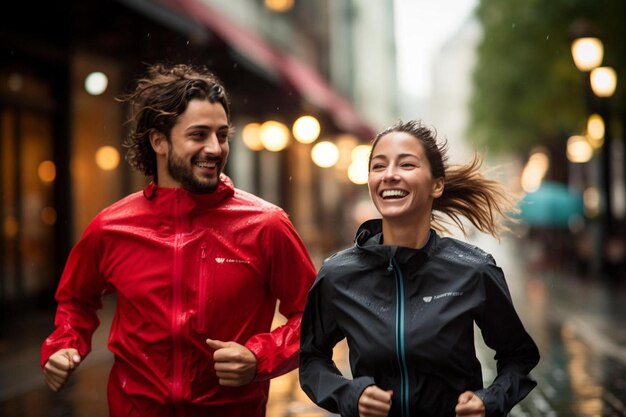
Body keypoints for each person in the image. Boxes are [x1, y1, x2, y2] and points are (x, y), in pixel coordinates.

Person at [41, 63, 317, 417]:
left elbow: (315, 316)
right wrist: (64, 345)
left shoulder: (266, 225)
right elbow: (76, 301)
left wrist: (260, 356)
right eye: (199, 135)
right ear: (158, 140)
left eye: (222, 135)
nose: (215, 148)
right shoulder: (110, 227)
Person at [299, 119, 540, 417]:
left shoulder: (474, 270)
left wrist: (489, 401)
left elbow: (518, 357)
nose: (389, 175)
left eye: (406, 165)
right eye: (378, 166)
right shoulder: (338, 275)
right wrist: (349, 394)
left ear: (436, 184)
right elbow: (311, 359)